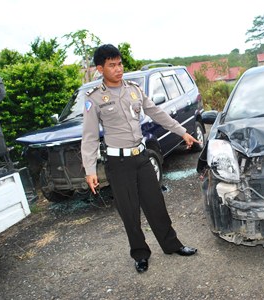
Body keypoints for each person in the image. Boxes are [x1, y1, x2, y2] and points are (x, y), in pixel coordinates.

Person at [81, 44, 200, 273]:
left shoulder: (134, 90)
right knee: (129, 211)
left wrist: (182, 131)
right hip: (119, 164)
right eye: (112, 65)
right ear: (100, 69)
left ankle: (172, 245)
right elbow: (89, 137)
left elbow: (157, 113)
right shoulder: (94, 99)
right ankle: (140, 254)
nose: (118, 69)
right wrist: (90, 170)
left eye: (120, 64)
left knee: (156, 205)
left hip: (141, 157)